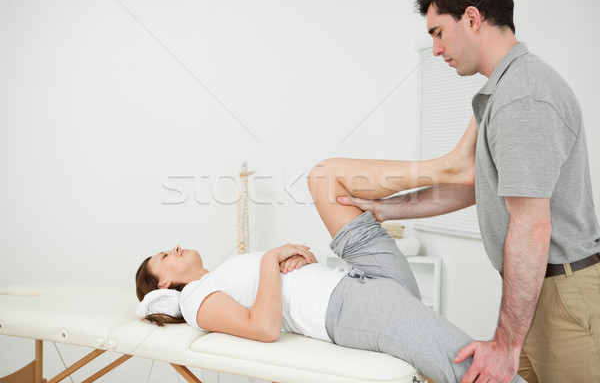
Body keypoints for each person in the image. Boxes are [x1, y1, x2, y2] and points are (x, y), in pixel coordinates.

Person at [337, 0, 600, 382]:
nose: (437, 50)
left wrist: (506, 344)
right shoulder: (500, 92)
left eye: (438, 33)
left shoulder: (522, 95)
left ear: (473, 19)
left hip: (563, 292)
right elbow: (473, 183)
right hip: (540, 291)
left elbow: (532, 226)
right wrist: (390, 208)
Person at [134, 124, 525, 382]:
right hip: (349, 309)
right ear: (165, 283)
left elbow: (279, 298)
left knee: (323, 176)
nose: (175, 248)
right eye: (166, 256)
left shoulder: (219, 275)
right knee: (467, 362)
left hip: (357, 276)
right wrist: (272, 259)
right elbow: (263, 328)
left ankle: (450, 166)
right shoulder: (195, 299)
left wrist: (300, 264)